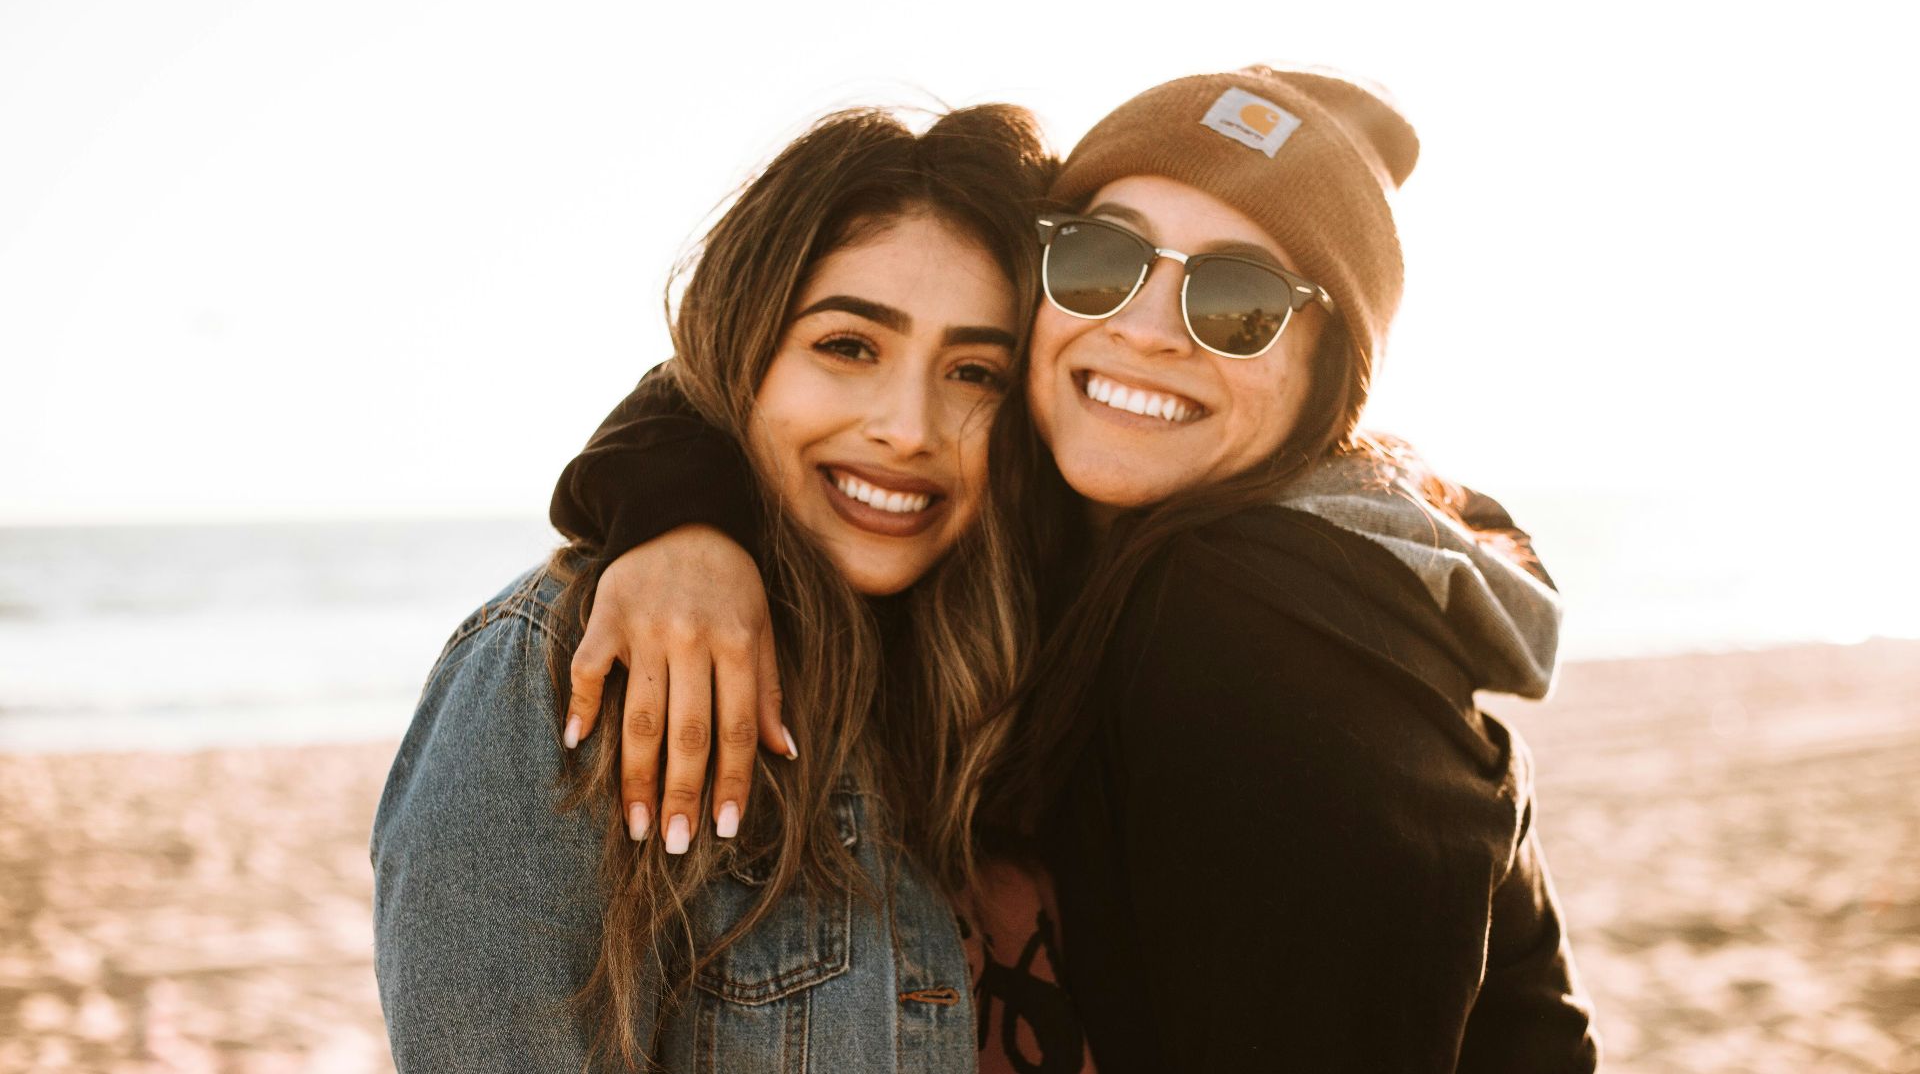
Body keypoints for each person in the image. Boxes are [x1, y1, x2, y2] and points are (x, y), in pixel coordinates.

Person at [547, 65, 1602, 1071]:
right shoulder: (1073, 513)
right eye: (1104, 260)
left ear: (1330, 374)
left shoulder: (1255, 617)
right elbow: (753, 360)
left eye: (1238, 302)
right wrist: (684, 521)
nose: (1143, 331)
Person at [370, 103, 1093, 1072]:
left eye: (974, 372)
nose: (910, 427)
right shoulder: (556, 674)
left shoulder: (1041, 663)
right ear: (742, 352)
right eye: (848, 346)